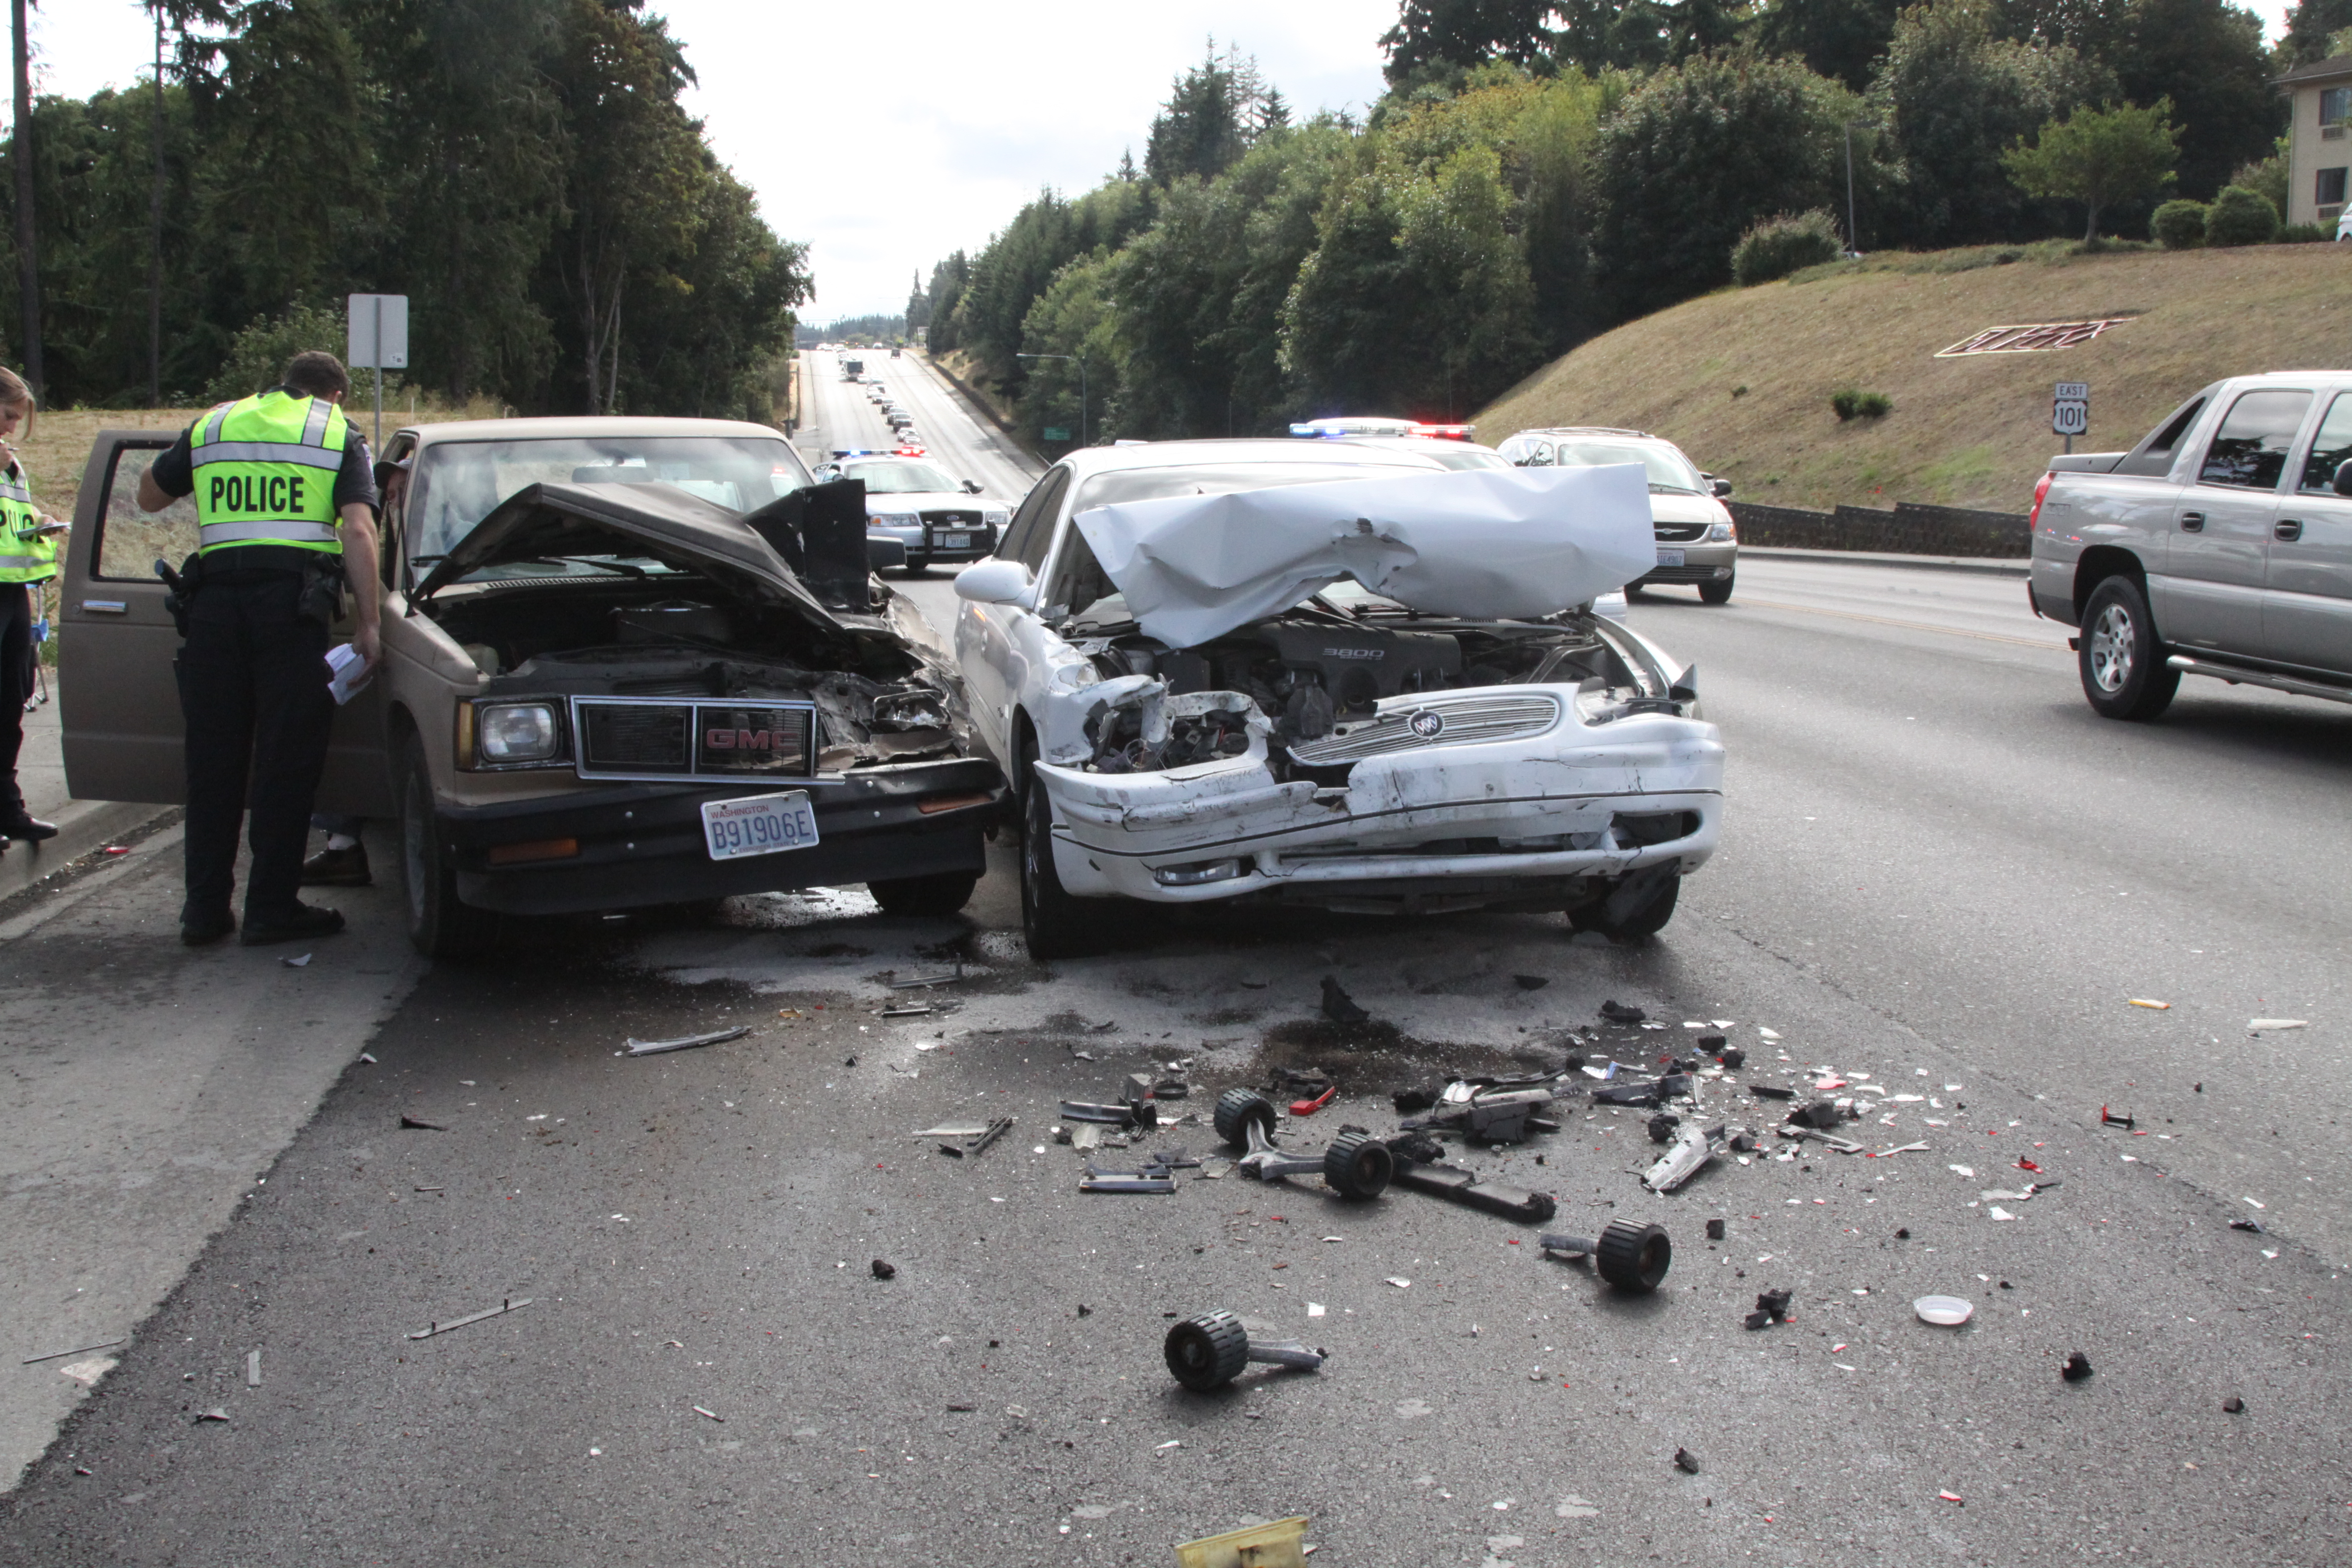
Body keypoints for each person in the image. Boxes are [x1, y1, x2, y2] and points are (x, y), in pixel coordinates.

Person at [138, 350, 382, 945]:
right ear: (337, 395)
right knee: (284, 761)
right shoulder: (336, 432)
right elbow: (357, 528)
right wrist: (370, 623)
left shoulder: (216, 422)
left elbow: (148, 497)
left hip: (214, 609)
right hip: (289, 611)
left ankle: (203, 914)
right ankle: (271, 910)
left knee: (213, 762)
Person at [0, 366, 62, 851]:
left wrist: (38, 520)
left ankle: (8, 808)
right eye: (5, 417)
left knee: (11, 701)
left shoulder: (10, 463)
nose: (10, 429)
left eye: (16, 420)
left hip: (12, 592)